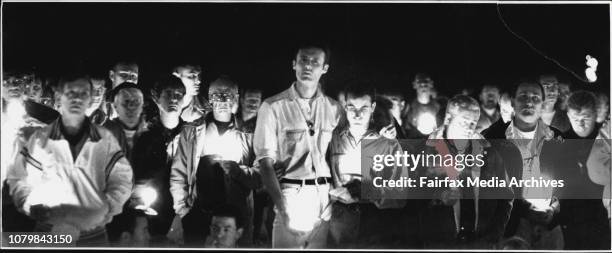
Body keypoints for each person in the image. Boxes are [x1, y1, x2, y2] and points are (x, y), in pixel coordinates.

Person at [6, 73, 133, 246]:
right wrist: (28, 203)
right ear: (59, 96)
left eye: (83, 94)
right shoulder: (40, 138)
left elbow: (122, 178)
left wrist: (107, 208)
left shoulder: (104, 139)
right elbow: (19, 176)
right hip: (48, 229)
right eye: (71, 93)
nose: (77, 100)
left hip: (93, 234)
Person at [253, 42, 342, 248]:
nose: (308, 67)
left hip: (324, 198)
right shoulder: (272, 106)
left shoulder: (334, 108)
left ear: (324, 68)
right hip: (291, 192)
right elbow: (265, 163)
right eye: (303, 60)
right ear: (294, 64)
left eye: (315, 62)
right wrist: (282, 209)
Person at [169, 76, 259, 247]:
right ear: (209, 98)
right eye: (218, 94)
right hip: (199, 212)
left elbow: (260, 176)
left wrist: (238, 171)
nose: (223, 99)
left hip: (236, 215)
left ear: (236, 98)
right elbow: (179, 172)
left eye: (228, 94)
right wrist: (183, 209)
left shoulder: (249, 134)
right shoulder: (191, 131)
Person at [417, 95, 513, 249]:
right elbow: (414, 195)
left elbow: (506, 196)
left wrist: (494, 235)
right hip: (440, 242)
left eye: (473, 123)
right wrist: (439, 197)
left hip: (481, 242)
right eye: (463, 122)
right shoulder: (425, 151)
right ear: (448, 119)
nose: (469, 129)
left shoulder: (488, 152)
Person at [482, 80, 564, 250]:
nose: (529, 102)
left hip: (550, 229)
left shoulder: (557, 139)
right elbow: (489, 187)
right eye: (523, 96)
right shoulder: (493, 138)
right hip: (510, 228)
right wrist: (525, 209)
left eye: (535, 98)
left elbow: (567, 180)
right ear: (512, 102)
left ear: (542, 104)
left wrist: (554, 207)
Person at [327, 81, 408, 249]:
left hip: (374, 224)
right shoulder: (333, 138)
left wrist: (364, 190)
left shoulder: (387, 143)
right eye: (351, 108)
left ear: (372, 107)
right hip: (340, 224)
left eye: (363, 108)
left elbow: (400, 196)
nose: (357, 115)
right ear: (344, 106)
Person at [129, 75, 187, 246]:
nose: (174, 99)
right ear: (156, 97)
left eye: (178, 95)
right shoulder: (144, 135)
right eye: (168, 94)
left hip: (180, 211)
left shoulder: (190, 135)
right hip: (150, 210)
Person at [553, 90, 610, 250]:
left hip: (602, 217)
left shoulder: (606, 138)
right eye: (575, 119)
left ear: (596, 113)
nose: (581, 124)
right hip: (570, 218)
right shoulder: (559, 143)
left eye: (586, 117)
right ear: (568, 115)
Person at [103, 82, 148, 243]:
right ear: (115, 105)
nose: (131, 107)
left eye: (135, 102)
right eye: (125, 102)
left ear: (143, 105)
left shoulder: (151, 134)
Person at [406, 73, 440, 137]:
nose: (423, 85)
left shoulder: (440, 106)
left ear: (431, 84)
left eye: (426, 82)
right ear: (414, 85)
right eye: (419, 82)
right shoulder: (407, 108)